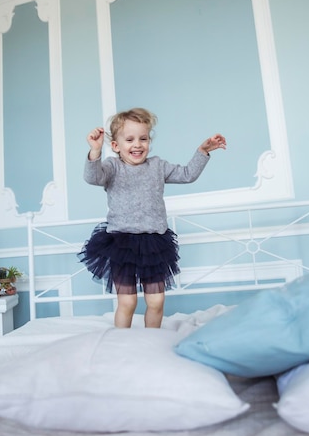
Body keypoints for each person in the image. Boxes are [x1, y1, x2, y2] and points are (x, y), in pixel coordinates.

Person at [78, 107, 226, 328]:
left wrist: (203, 151)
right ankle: (122, 342)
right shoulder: (111, 167)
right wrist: (95, 152)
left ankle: (151, 341)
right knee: (127, 302)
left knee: (156, 301)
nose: (137, 144)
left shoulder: (157, 165)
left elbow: (187, 175)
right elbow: (92, 177)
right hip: (122, 243)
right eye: (129, 139)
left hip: (154, 243)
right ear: (116, 146)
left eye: (143, 138)